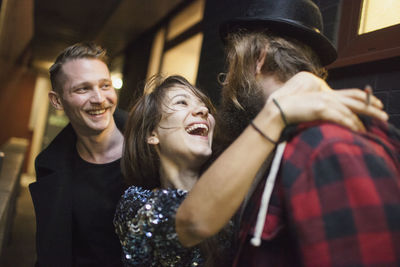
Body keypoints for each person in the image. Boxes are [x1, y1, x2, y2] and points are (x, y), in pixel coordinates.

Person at [174, 0, 400, 266]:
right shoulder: (272, 137)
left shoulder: (327, 147)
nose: (227, 79)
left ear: (258, 58)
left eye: (233, 64)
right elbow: (191, 224)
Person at [113, 75, 234, 267]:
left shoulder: (233, 200)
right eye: (182, 102)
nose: (203, 110)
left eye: (206, 107)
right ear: (152, 134)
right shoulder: (135, 204)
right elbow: (178, 219)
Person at [29, 42, 127, 267]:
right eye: (83, 89)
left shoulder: (152, 141)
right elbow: (52, 251)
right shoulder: (49, 166)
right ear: (57, 101)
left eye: (105, 86)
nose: (99, 99)